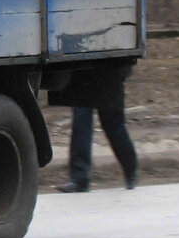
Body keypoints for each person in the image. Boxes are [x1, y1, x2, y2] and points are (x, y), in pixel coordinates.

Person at [51, 62, 139, 192]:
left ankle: (130, 169)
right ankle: (79, 178)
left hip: (110, 69)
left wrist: (122, 71)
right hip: (85, 70)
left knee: (112, 125)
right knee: (81, 122)